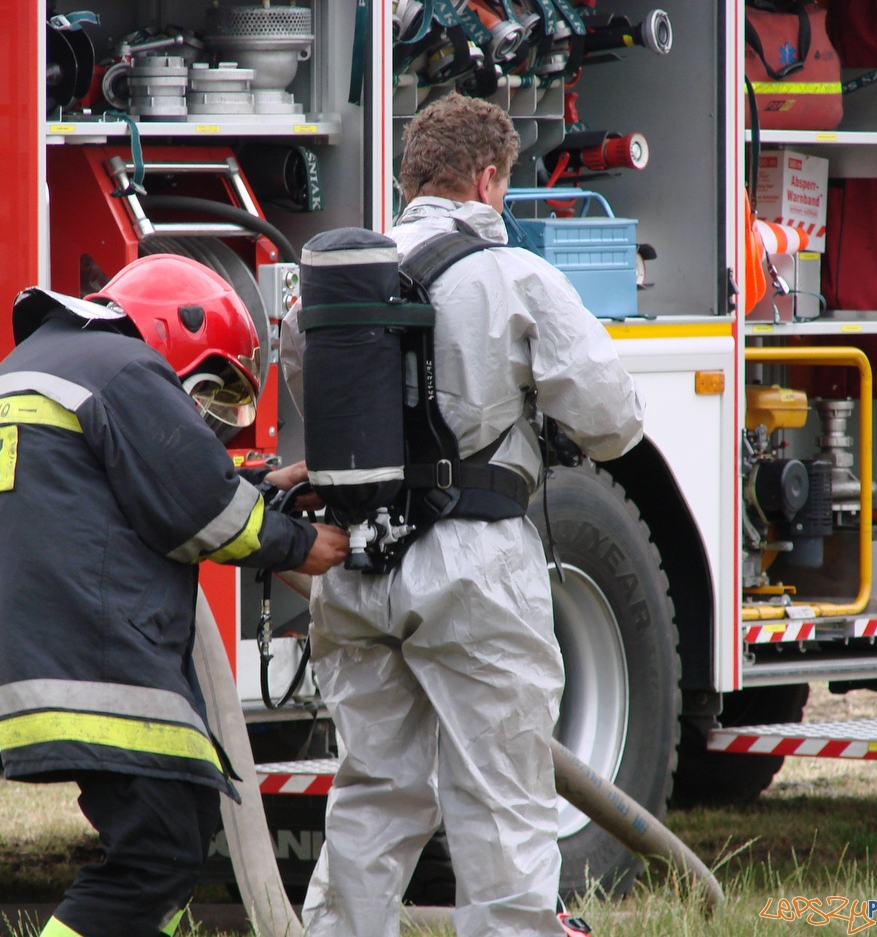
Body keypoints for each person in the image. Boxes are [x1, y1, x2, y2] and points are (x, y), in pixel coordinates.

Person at [279, 92, 647, 937]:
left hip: (356, 562)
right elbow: (615, 419)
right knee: (503, 805)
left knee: (372, 795)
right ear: (488, 180)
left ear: (412, 179)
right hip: (474, 568)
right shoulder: (513, 275)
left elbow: (314, 391)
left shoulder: (334, 286)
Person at [0, 253, 349, 937]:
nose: (204, 415)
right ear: (173, 331)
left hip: (32, 656)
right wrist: (304, 543)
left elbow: (120, 495)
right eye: (206, 385)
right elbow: (194, 507)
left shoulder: (34, 372)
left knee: (177, 829)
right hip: (97, 655)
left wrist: (266, 485)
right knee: (157, 852)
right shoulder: (127, 368)